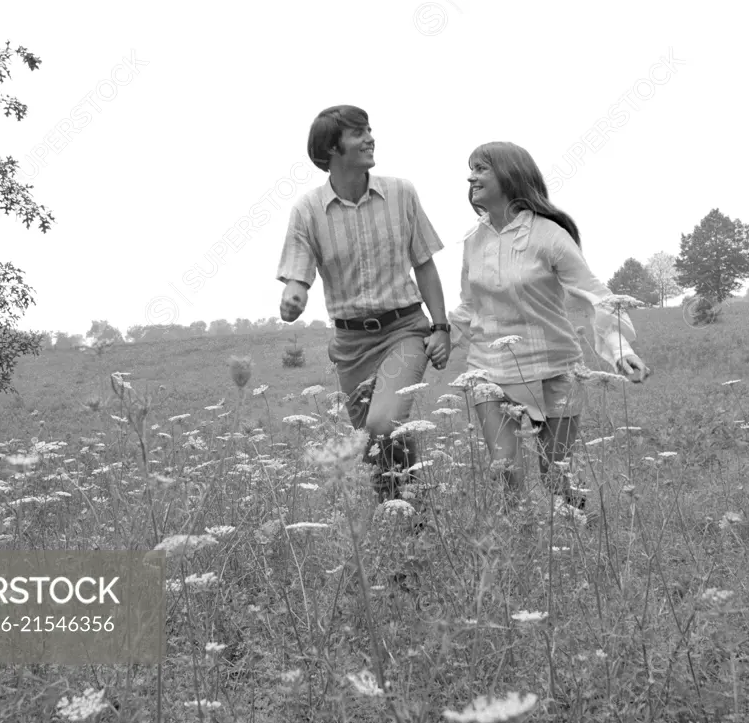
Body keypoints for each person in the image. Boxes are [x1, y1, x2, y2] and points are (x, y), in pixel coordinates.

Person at [448, 141, 651, 509]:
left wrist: (621, 350)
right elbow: (468, 304)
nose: (470, 176)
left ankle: (576, 533)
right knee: (504, 468)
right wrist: (441, 338)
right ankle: (522, 541)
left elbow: (594, 295)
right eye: (471, 168)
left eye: (480, 168)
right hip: (489, 370)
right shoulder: (473, 240)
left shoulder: (549, 235)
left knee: (557, 475)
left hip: (553, 370)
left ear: (510, 174)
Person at [276, 105, 452, 502]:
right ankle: (407, 521)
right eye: (359, 133)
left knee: (385, 425)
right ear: (331, 150)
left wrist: (441, 327)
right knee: (373, 450)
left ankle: (413, 518)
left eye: (369, 130)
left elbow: (423, 263)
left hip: (404, 329)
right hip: (350, 346)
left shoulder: (401, 193)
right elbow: (298, 274)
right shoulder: (307, 211)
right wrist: (293, 295)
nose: (370, 138)